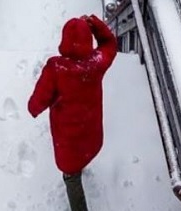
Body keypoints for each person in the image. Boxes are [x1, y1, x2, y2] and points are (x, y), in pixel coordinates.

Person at [27, 15, 118, 211]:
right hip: (90, 133)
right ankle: (83, 164)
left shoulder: (56, 68)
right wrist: (94, 24)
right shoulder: (97, 63)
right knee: (83, 156)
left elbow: (40, 98)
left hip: (68, 139)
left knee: (71, 176)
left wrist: (33, 108)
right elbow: (110, 43)